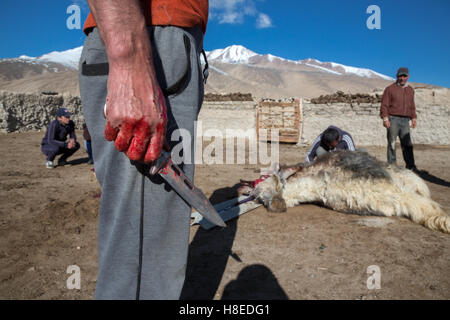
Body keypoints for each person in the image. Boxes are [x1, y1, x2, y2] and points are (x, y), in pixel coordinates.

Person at [79, 0, 209, 299]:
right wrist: (129, 60)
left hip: (159, 44)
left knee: (148, 241)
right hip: (150, 44)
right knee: (145, 262)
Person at [380, 67, 419, 173]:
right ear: (397, 77)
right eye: (400, 76)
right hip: (393, 119)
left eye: (404, 76)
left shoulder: (410, 90)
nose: (402, 78)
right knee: (392, 143)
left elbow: (412, 105)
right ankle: (392, 165)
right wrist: (385, 118)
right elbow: (384, 105)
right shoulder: (390, 89)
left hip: (405, 120)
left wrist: (413, 117)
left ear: (408, 77)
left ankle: (411, 166)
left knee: (407, 144)